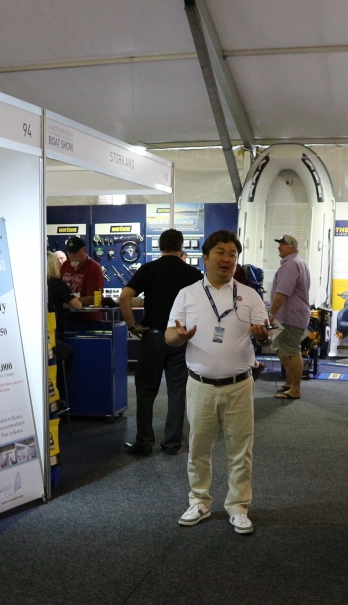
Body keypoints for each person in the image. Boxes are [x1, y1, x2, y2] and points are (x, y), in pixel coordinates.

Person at [165, 230, 269, 535]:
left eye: (232, 254)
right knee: (198, 449)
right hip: (200, 384)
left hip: (240, 384)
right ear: (205, 258)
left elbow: (264, 333)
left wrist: (263, 335)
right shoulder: (187, 294)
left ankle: (238, 507)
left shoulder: (249, 295)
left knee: (241, 451)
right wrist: (179, 336)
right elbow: (170, 335)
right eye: (220, 253)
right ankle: (199, 501)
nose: (227, 259)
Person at [119, 229, 201, 456]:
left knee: (146, 391)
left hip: (153, 336)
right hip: (180, 338)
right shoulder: (193, 274)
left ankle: (144, 443)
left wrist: (132, 325)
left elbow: (124, 297)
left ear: (160, 245)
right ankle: (172, 444)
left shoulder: (148, 269)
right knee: (177, 391)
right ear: (181, 246)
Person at [268, 234, 311, 400]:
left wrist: (271, 314)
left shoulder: (291, 265)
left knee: (292, 351)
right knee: (280, 349)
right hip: (284, 317)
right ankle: (290, 381)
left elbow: (282, 293)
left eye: (283, 244)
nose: (279, 247)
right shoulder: (298, 263)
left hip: (289, 317)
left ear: (291, 247)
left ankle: (295, 389)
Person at [61, 236, 105, 318]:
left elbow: (94, 298)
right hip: (67, 318)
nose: (72, 256)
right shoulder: (65, 265)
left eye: (75, 252)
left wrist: (70, 301)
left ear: (84, 250)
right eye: (69, 252)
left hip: (88, 319)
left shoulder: (94, 268)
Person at [46, 252, 82, 317]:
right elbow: (78, 306)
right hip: (54, 321)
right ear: (54, 265)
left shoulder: (38, 283)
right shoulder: (58, 283)